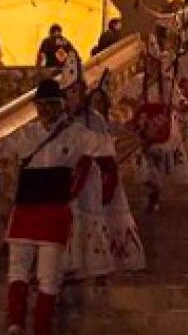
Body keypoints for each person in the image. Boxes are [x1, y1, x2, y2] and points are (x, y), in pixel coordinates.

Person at [0, 79, 105, 335]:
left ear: (60, 105)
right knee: (18, 270)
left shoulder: (76, 134)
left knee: (48, 277)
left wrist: (142, 137)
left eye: (49, 104)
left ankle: (41, 329)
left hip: (54, 212)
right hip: (26, 210)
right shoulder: (26, 134)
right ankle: (15, 324)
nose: (44, 110)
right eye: (40, 104)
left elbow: (107, 147)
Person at [62, 71, 146, 280]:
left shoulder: (95, 120)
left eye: (78, 91)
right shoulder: (63, 119)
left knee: (98, 220)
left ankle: (101, 266)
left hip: (94, 177)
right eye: (71, 92)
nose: (76, 97)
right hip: (73, 178)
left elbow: (105, 149)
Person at [121, 54, 188, 213]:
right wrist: (135, 104)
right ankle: (152, 191)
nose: (149, 65)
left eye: (152, 62)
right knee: (143, 161)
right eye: (146, 62)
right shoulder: (137, 81)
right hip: (144, 126)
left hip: (164, 125)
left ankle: (156, 193)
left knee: (162, 159)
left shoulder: (168, 82)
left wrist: (182, 105)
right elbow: (123, 98)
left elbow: (178, 100)